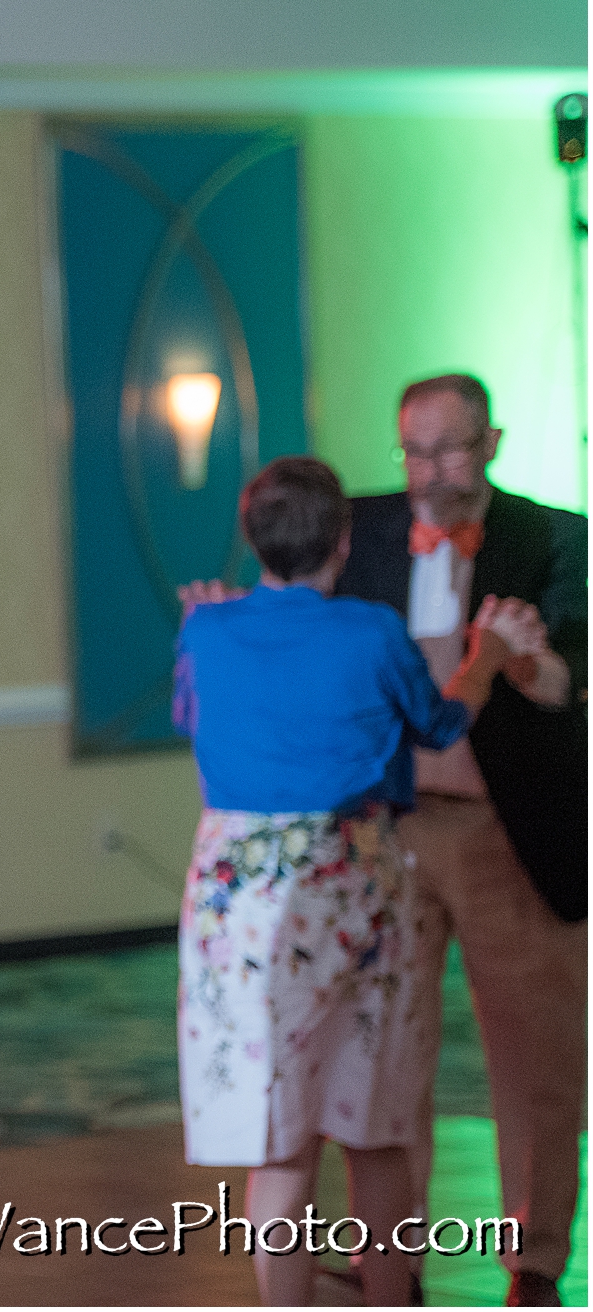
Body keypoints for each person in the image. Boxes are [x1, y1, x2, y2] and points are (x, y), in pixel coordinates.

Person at [173, 455, 527, 1306]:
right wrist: (487, 655)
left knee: (279, 1142)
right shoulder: (371, 631)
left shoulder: (204, 630)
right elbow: (441, 724)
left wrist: (215, 624)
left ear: (252, 539)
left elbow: (198, 717)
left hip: (240, 898)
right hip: (355, 882)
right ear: (342, 539)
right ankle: (387, 1295)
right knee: (375, 1126)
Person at [335, 374, 586, 1308]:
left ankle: (535, 1264)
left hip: (507, 831)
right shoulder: (360, 531)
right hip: (389, 831)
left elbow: (570, 678)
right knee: (384, 1053)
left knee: (535, 1056)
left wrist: (529, 657)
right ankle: (386, 1266)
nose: (431, 472)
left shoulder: (553, 535)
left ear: (493, 443)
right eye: (415, 450)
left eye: (451, 449)